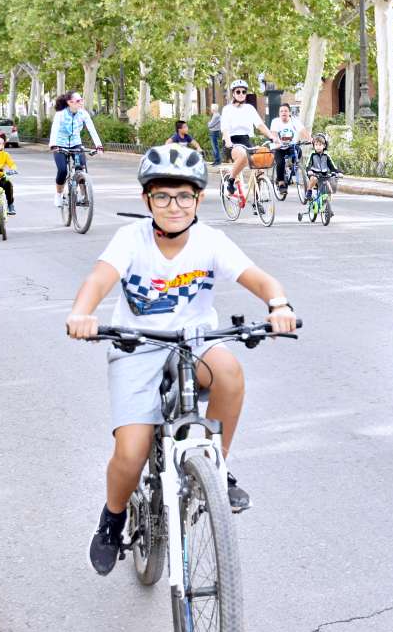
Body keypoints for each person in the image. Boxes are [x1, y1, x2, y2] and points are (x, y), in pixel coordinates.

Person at [65, 145, 297, 575]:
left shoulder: (211, 241)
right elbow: (99, 279)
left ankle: (214, 466)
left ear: (199, 200)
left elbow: (261, 279)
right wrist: (82, 314)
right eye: (162, 196)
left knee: (230, 371)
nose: (174, 206)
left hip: (195, 342)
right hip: (137, 344)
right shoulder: (130, 240)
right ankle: (114, 518)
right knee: (131, 454)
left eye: (184, 196)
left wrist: (278, 304)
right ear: (146, 200)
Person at [220, 80, 278, 195]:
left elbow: (260, 125)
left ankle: (257, 198)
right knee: (243, 155)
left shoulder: (249, 108)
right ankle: (231, 180)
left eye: (244, 91)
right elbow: (225, 129)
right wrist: (228, 142)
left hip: (246, 141)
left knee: (261, 163)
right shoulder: (227, 109)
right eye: (238, 91)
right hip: (232, 142)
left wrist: (271, 136)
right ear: (233, 93)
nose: (241, 93)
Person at [48, 92, 104, 207]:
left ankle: (83, 196)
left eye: (81, 100)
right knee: (63, 170)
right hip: (60, 144)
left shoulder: (83, 114)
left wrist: (98, 145)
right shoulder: (60, 114)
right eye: (78, 101)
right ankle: (58, 195)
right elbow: (54, 129)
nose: (81, 103)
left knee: (81, 167)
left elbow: (91, 129)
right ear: (70, 102)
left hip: (75, 144)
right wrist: (53, 144)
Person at [270, 103, 310, 195]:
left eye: (286, 111)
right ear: (279, 113)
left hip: (291, 146)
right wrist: (277, 142)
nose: (283, 113)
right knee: (280, 163)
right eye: (281, 111)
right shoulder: (275, 121)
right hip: (279, 147)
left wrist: (310, 139)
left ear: (289, 113)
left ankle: (292, 165)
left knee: (298, 151)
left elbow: (302, 131)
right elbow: (274, 133)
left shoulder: (294, 121)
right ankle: (281, 184)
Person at [304, 132, 342, 208]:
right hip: (314, 174)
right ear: (314, 146)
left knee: (330, 189)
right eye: (316, 145)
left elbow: (332, 166)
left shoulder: (326, 156)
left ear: (324, 146)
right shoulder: (312, 155)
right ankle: (309, 192)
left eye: (320, 145)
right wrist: (309, 171)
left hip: (324, 175)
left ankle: (328, 207)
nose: (318, 147)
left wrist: (338, 172)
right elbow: (308, 165)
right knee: (313, 179)